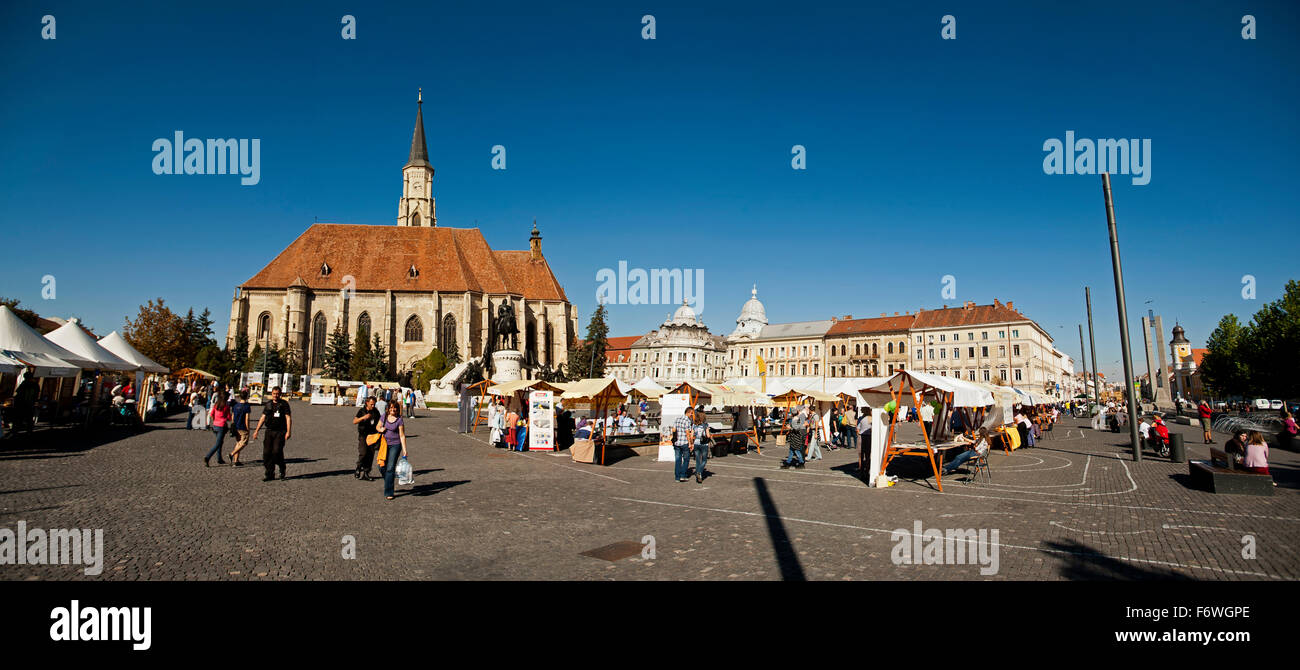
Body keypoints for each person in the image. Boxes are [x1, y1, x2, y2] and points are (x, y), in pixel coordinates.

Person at [251, 386, 292, 482]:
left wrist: (289, 431)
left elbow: (288, 418)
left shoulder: (284, 404)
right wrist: (256, 430)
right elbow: (262, 417)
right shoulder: (268, 404)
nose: (275, 396)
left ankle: (282, 467)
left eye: (277, 394)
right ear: (271, 394)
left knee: (276, 451)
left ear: (280, 394)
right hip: (269, 431)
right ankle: (269, 473)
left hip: (280, 431)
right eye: (274, 394)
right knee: (266, 453)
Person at [378, 401, 409, 499]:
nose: (393, 410)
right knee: (381, 466)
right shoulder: (384, 416)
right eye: (391, 407)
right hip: (384, 444)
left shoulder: (399, 420)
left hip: (395, 445)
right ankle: (388, 480)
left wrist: (404, 449)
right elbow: (377, 426)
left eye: (394, 408)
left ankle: (389, 492)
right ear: (388, 408)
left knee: (390, 467)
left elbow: (402, 435)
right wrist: (380, 429)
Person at [353, 396, 381, 480]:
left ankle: (366, 473)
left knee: (370, 455)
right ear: (367, 403)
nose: (373, 406)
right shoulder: (362, 411)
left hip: (372, 435)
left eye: (374, 404)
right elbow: (354, 421)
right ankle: (358, 467)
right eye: (371, 404)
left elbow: (380, 421)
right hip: (363, 435)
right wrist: (363, 418)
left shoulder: (375, 411)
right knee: (363, 452)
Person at [204, 393, 233, 466]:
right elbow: (229, 417)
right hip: (222, 425)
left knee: (219, 442)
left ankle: (219, 458)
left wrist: (215, 421)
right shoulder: (226, 406)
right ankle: (208, 457)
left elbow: (211, 415)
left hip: (215, 425)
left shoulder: (216, 405)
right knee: (218, 443)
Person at [228, 389, 252, 467]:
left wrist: (233, 424)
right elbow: (247, 418)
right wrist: (248, 428)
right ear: (247, 397)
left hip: (236, 426)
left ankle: (236, 460)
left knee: (238, 443)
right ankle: (232, 454)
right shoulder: (247, 406)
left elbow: (233, 416)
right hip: (243, 427)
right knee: (244, 443)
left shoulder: (235, 405)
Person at [671, 407, 695, 482]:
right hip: (684, 442)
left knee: (678, 460)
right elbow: (687, 433)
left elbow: (673, 429)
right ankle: (683, 475)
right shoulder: (687, 420)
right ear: (688, 412)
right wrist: (690, 443)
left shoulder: (677, 419)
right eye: (691, 413)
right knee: (686, 459)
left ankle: (677, 477)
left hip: (677, 442)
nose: (692, 415)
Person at [691, 405, 709, 483]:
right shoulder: (705, 425)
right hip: (704, 444)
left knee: (698, 460)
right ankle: (699, 472)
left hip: (696, 443)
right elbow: (708, 435)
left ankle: (699, 475)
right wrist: (710, 436)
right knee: (704, 460)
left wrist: (691, 443)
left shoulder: (694, 425)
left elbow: (691, 436)